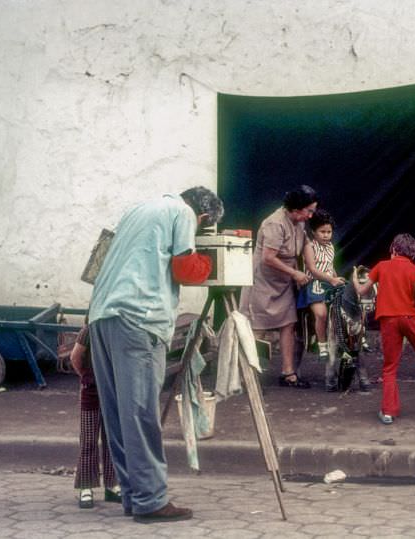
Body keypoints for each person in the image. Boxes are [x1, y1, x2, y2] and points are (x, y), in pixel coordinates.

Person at [88, 186, 223, 523]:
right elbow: (184, 269)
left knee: (119, 413)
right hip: (139, 318)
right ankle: (150, 501)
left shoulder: (139, 208)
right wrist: (208, 264)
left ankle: (135, 496)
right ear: (203, 217)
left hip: (103, 317)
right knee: (140, 412)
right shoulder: (182, 214)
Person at [355, 233, 415, 424]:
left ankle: (389, 412)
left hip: (388, 321)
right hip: (410, 319)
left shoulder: (382, 266)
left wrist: (353, 277)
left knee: (390, 367)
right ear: (412, 254)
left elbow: (361, 290)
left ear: (393, 249)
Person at [240, 185, 317, 388]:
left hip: (282, 282)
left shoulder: (298, 223)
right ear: (296, 208)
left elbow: (305, 244)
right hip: (263, 281)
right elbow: (268, 258)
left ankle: (288, 373)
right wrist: (295, 273)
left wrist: (316, 270)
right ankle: (250, 377)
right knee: (257, 328)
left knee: (288, 324)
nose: (310, 216)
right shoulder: (274, 223)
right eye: (308, 211)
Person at [69, 317, 120, 509]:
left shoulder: (117, 331)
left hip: (113, 392)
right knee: (89, 441)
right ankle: (86, 487)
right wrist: (86, 376)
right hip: (91, 391)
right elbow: (75, 357)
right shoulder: (88, 331)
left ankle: (112, 485)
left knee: (112, 440)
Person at [296, 209, 345, 361]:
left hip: (330, 282)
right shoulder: (309, 246)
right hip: (314, 284)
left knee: (349, 308)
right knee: (321, 313)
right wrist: (331, 280)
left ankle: (347, 342)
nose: (326, 235)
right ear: (313, 232)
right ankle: (321, 345)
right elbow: (312, 269)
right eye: (322, 231)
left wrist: (336, 278)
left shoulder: (330, 247)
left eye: (329, 232)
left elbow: (330, 266)